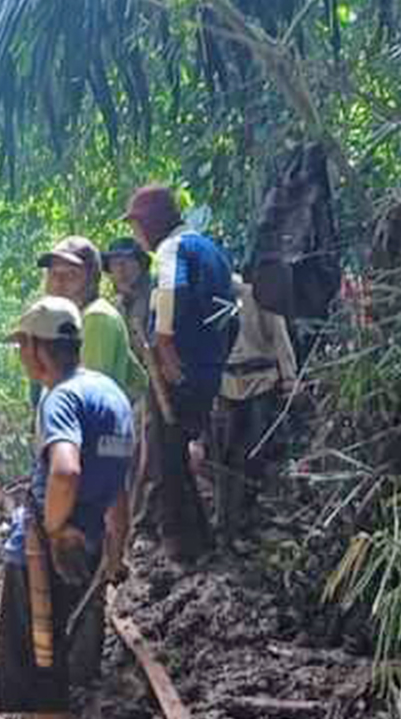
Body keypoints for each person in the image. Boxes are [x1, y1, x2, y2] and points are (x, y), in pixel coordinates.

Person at [0, 296, 133, 719]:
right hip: (88, 546)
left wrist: (51, 529)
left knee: (41, 674)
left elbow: (66, 470)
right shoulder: (111, 395)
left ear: (37, 348)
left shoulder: (61, 399)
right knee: (51, 666)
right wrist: (114, 551)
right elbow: (119, 489)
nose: (21, 357)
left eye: (22, 347)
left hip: (45, 554)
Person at [124, 184, 235, 562]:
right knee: (180, 457)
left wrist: (167, 355)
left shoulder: (172, 250)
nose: (136, 237)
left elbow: (170, 300)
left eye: (136, 227)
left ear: (149, 223)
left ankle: (183, 549)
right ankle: (203, 541)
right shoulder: (212, 251)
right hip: (207, 370)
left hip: (179, 371)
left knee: (165, 458)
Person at [210, 274, 296, 547]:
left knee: (254, 455)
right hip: (226, 385)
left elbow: (279, 335)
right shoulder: (209, 301)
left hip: (261, 381)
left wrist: (289, 377)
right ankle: (225, 520)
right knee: (225, 456)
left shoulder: (257, 295)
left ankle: (247, 518)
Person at [39, 236, 147, 403]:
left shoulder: (97, 318)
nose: (59, 283)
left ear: (91, 279)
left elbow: (88, 400)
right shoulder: (72, 322)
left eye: (71, 274)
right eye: (54, 274)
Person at [103, 238, 155, 529]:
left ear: (139, 264)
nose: (120, 270)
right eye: (114, 264)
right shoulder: (113, 309)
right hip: (122, 396)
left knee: (142, 456)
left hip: (155, 391)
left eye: (126, 262)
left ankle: (136, 523)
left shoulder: (157, 297)